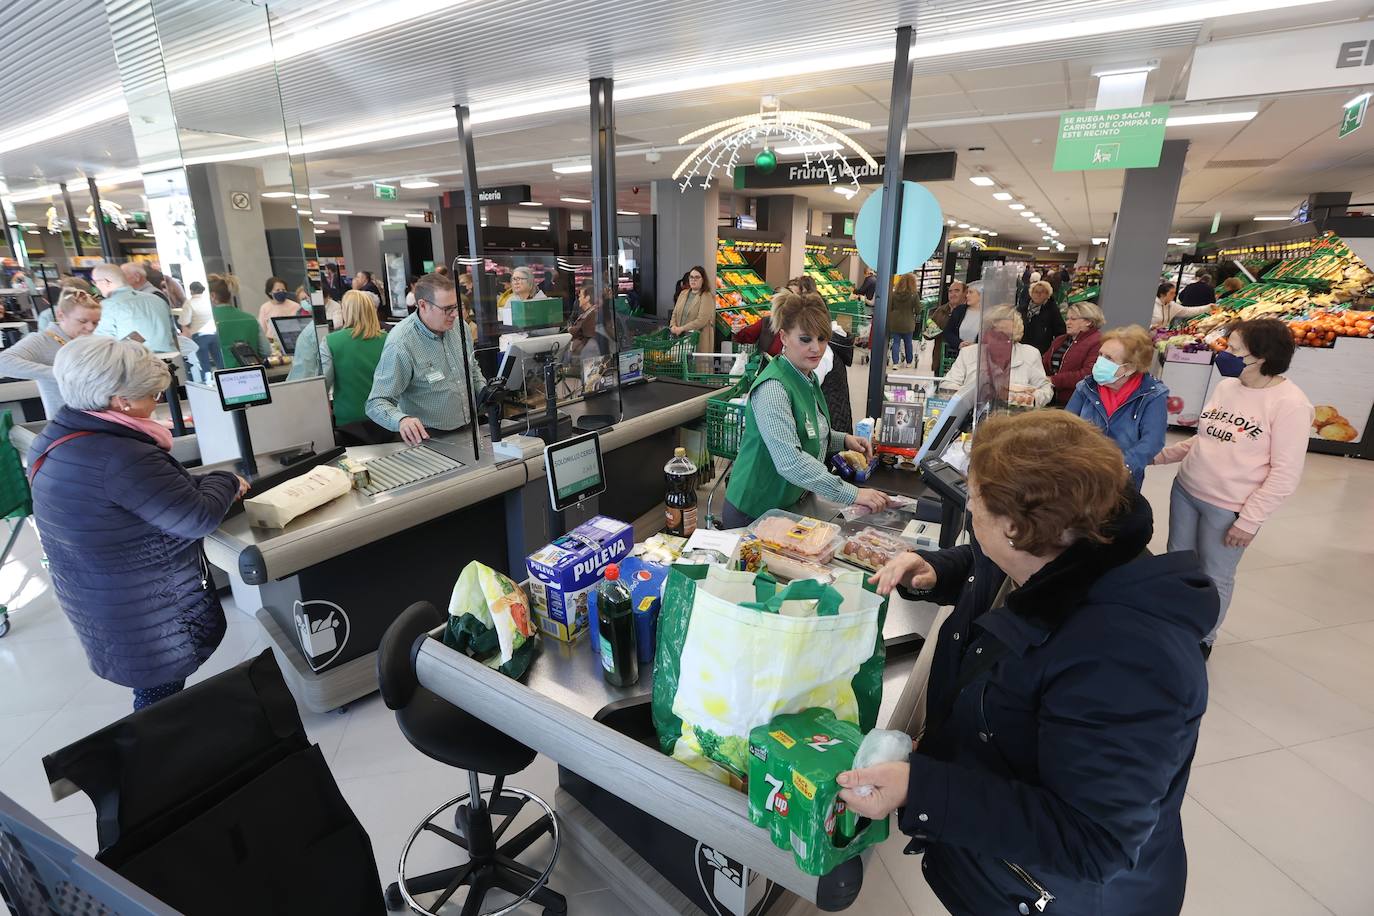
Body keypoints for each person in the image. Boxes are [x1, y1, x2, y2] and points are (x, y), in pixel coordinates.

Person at [850, 410, 1213, 916]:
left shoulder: (1128, 660)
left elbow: (1092, 841)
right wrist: (941, 569)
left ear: (1017, 527)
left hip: (1057, 896)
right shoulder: (1068, 546)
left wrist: (923, 787)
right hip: (998, 871)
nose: (969, 510)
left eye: (975, 503)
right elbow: (998, 577)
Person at [29, 336, 248, 710]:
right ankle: (161, 752)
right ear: (121, 400)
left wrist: (196, 483)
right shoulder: (122, 456)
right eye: (153, 396)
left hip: (98, 597)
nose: (156, 405)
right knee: (158, 693)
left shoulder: (56, 439)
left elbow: (141, 495)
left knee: (155, 687)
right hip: (147, 611)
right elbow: (196, 518)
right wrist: (225, 479)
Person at [1155, 318, 1312, 657]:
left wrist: (1250, 520)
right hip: (1187, 489)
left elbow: (1286, 472)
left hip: (1229, 507)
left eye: (1234, 350)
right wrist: (1161, 456)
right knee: (1179, 563)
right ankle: (1174, 623)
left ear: (1262, 357)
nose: (1225, 354)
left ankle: (1202, 639)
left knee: (1215, 576)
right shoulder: (1228, 385)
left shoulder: (1291, 404)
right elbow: (1207, 437)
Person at [721, 294, 889, 527]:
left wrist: (844, 440)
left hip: (786, 505)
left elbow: (809, 431)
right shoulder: (774, 388)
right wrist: (853, 494)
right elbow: (790, 460)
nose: (816, 348)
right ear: (784, 337)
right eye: (805, 339)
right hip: (754, 511)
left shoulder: (806, 379)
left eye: (822, 339)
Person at [366, 272, 486, 445]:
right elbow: (377, 402)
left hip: (469, 429)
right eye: (447, 309)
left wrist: (485, 392)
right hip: (428, 438)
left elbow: (472, 369)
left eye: (456, 306)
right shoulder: (401, 343)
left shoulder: (461, 328)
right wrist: (402, 421)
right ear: (422, 305)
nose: (454, 314)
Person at [1065, 325, 1168, 489]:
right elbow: (1066, 425)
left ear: (1130, 367)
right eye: (1100, 354)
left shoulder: (1152, 395)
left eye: (1109, 358)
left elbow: (1152, 441)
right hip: (1081, 474)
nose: (1100, 361)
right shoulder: (1086, 387)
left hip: (1122, 479)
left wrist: (1120, 467)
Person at [0, 288, 102, 417]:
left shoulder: (90, 340)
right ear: (61, 315)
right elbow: (3, 362)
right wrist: (61, 374)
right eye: (82, 321)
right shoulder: (41, 340)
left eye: (95, 322)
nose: (90, 327)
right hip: (67, 422)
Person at [940, 305, 1053, 407]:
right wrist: (974, 394)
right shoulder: (968, 353)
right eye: (997, 335)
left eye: (1008, 336)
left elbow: (1045, 388)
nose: (1002, 341)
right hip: (973, 417)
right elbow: (947, 385)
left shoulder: (1030, 354)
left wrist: (1031, 399)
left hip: (1017, 420)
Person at [322, 291, 388, 428]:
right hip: (386, 418)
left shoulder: (331, 341)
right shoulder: (388, 340)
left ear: (346, 311)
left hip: (349, 420)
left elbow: (323, 384)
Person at [91, 263, 179, 353]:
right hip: (172, 359)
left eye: (95, 282)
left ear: (106, 282)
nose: (95, 286)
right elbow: (173, 333)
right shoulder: (156, 299)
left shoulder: (108, 306)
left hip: (138, 361)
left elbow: (102, 344)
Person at [1043, 300, 1106, 407]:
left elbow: (1088, 374)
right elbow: (1044, 363)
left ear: (1088, 322)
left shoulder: (1098, 342)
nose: (1067, 322)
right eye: (1067, 319)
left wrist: (1054, 380)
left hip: (1076, 402)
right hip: (1049, 397)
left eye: (1073, 319)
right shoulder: (1060, 340)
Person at [207, 273, 265, 369]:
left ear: (212, 296)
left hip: (224, 376)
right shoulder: (251, 319)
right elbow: (266, 351)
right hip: (253, 375)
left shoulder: (208, 322)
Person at [669, 264, 714, 353]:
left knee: (695, 366)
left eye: (697, 277)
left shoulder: (706, 296)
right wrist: (673, 326)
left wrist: (682, 328)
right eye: (691, 277)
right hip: (680, 337)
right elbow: (674, 313)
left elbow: (701, 320)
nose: (693, 280)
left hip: (697, 339)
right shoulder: (683, 293)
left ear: (703, 280)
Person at [178, 280, 217, 380]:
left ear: (191, 291)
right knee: (219, 361)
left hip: (199, 336)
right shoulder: (209, 301)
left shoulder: (189, 303)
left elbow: (184, 321)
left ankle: (208, 383)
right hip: (214, 334)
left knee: (203, 363)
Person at [926, 280, 964, 373]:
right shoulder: (941, 310)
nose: (953, 294)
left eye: (957, 291)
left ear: (964, 293)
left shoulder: (968, 312)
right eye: (950, 291)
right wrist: (931, 330)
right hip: (940, 361)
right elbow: (928, 335)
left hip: (960, 363)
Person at [1018, 279, 1066, 354]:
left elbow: (1060, 332)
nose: (1038, 294)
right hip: (1021, 348)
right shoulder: (1022, 309)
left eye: (1042, 292)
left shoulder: (1052, 310)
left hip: (1042, 351)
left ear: (1047, 294)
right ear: (1031, 293)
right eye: (1036, 292)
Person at [258, 276, 306, 348]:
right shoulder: (265, 308)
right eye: (277, 290)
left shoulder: (295, 306)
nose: (281, 292)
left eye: (283, 290)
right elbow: (262, 330)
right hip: (272, 344)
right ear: (270, 292)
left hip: (292, 342)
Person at [939, 281, 981, 364]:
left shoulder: (990, 315)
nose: (967, 295)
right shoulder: (958, 310)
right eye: (950, 291)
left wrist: (975, 346)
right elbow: (947, 332)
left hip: (979, 361)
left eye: (971, 292)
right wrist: (959, 343)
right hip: (957, 358)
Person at [887, 273, 919, 368]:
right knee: (908, 343)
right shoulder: (914, 295)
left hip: (895, 322)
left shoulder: (894, 294)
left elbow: (890, 307)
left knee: (895, 342)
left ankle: (895, 363)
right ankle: (909, 362)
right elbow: (918, 310)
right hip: (908, 322)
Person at [567, 280, 600, 357]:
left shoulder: (592, 315)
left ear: (587, 298)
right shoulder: (588, 313)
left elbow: (578, 331)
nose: (579, 299)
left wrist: (570, 329)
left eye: (580, 296)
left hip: (582, 355)